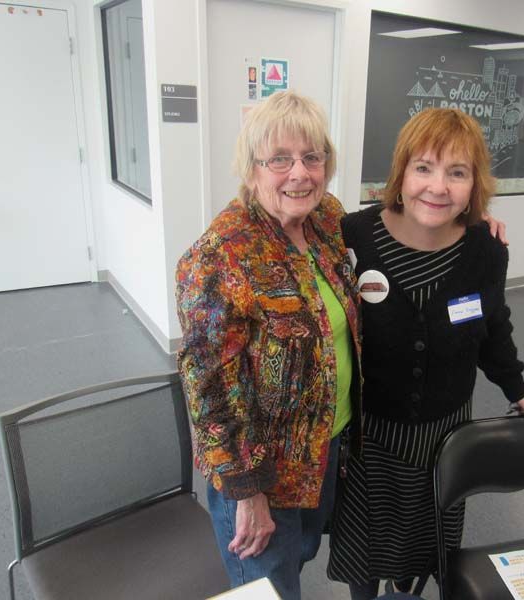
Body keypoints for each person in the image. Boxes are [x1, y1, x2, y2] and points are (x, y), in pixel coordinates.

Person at [327, 108, 524, 599]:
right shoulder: (353, 236)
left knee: (422, 554)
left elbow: (492, 328)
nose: (438, 186)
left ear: (475, 184)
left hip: (443, 437)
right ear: (401, 173)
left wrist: (518, 387)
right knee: (365, 559)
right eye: (423, 167)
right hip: (371, 437)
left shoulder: (486, 251)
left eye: (457, 172)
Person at [175, 90, 362, 600]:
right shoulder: (220, 256)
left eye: (312, 156)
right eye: (279, 159)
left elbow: (399, 223)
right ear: (252, 168)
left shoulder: (327, 222)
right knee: (267, 589)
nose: (299, 173)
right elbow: (208, 390)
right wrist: (247, 492)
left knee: (296, 564)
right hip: (262, 475)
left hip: (324, 451)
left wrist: (472, 224)